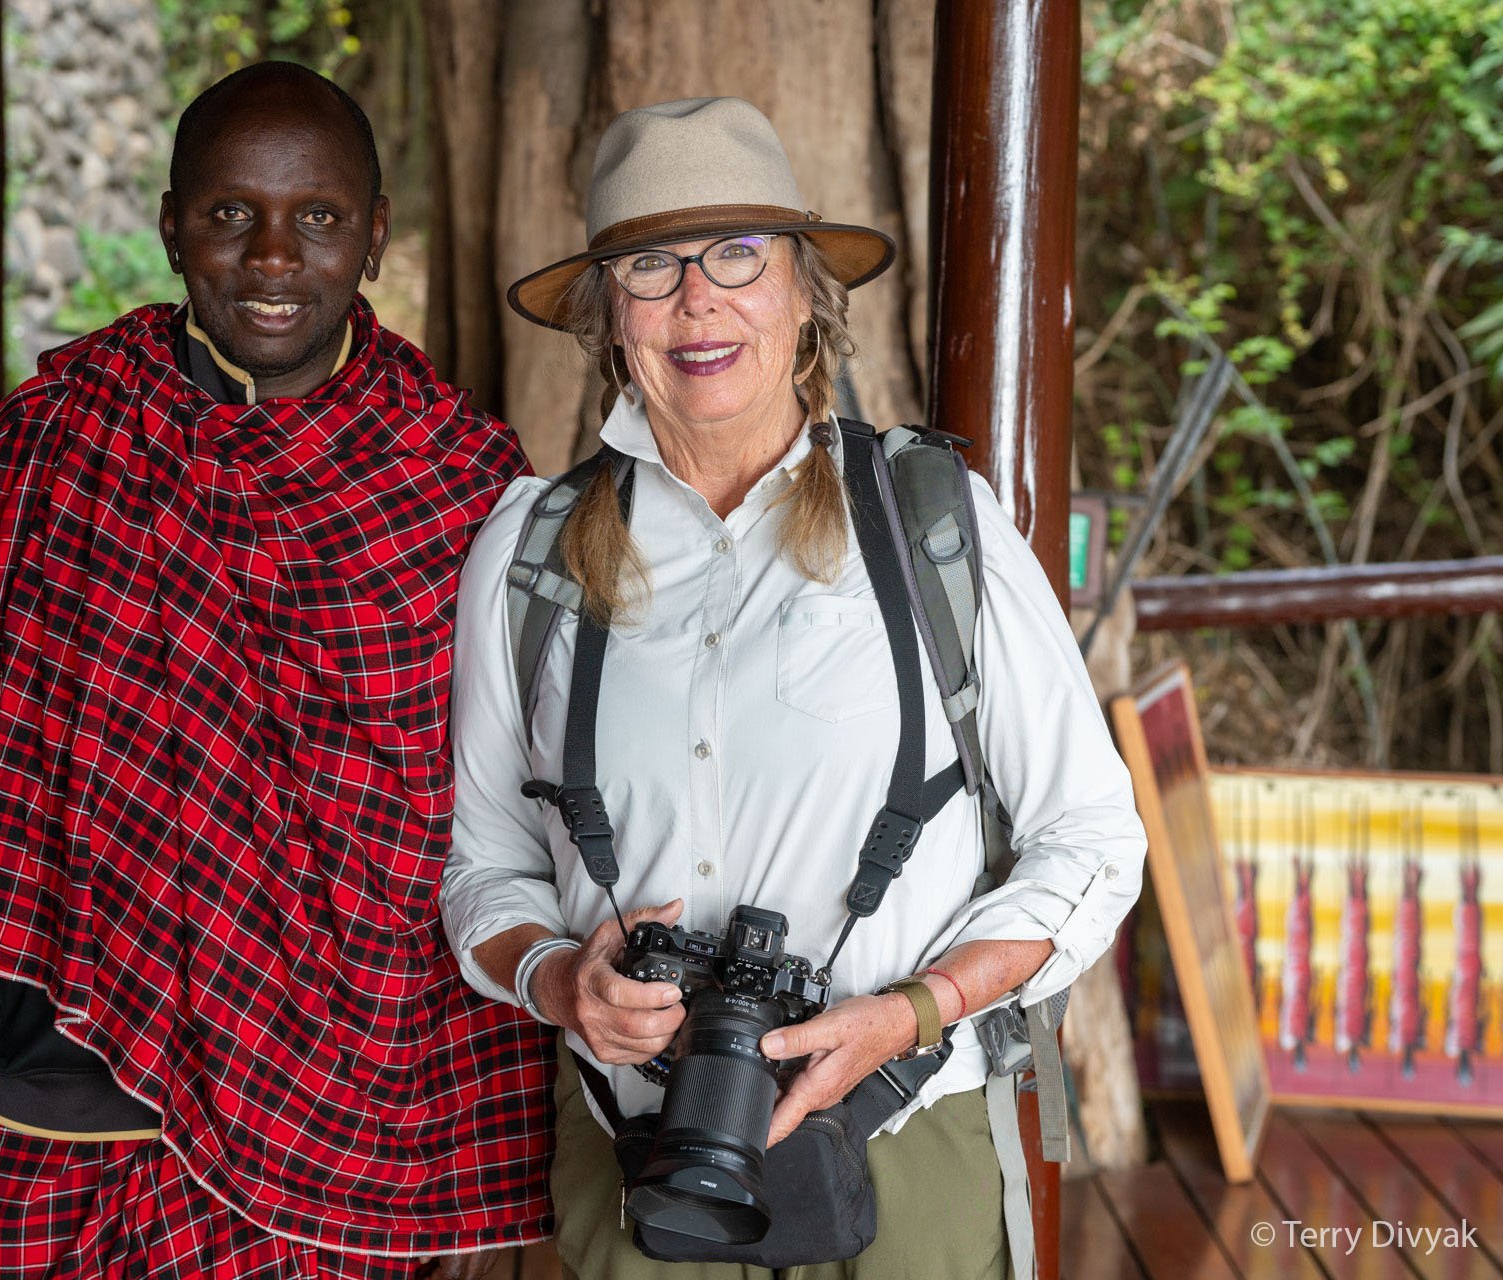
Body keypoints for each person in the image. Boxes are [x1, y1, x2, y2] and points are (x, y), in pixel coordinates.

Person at [0, 62, 551, 1280]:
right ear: (171, 226)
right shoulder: (53, 442)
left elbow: (490, 825)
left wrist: (462, 1173)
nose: (272, 256)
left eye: (317, 217)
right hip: (56, 1093)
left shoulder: (463, 479)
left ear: (373, 235)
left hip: (347, 1125)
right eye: (229, 215)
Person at [441, 97, 1146, 1279]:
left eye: (738, 254)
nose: (697, 299)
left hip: (907, 1145)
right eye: (649, 265)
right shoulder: (531, 547)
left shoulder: (930, 519)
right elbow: (484, 862)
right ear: (608, 315)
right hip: (639, 1160)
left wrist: (913, 1010)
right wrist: (562, 978)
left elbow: (1092, 838)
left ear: (806, 292)